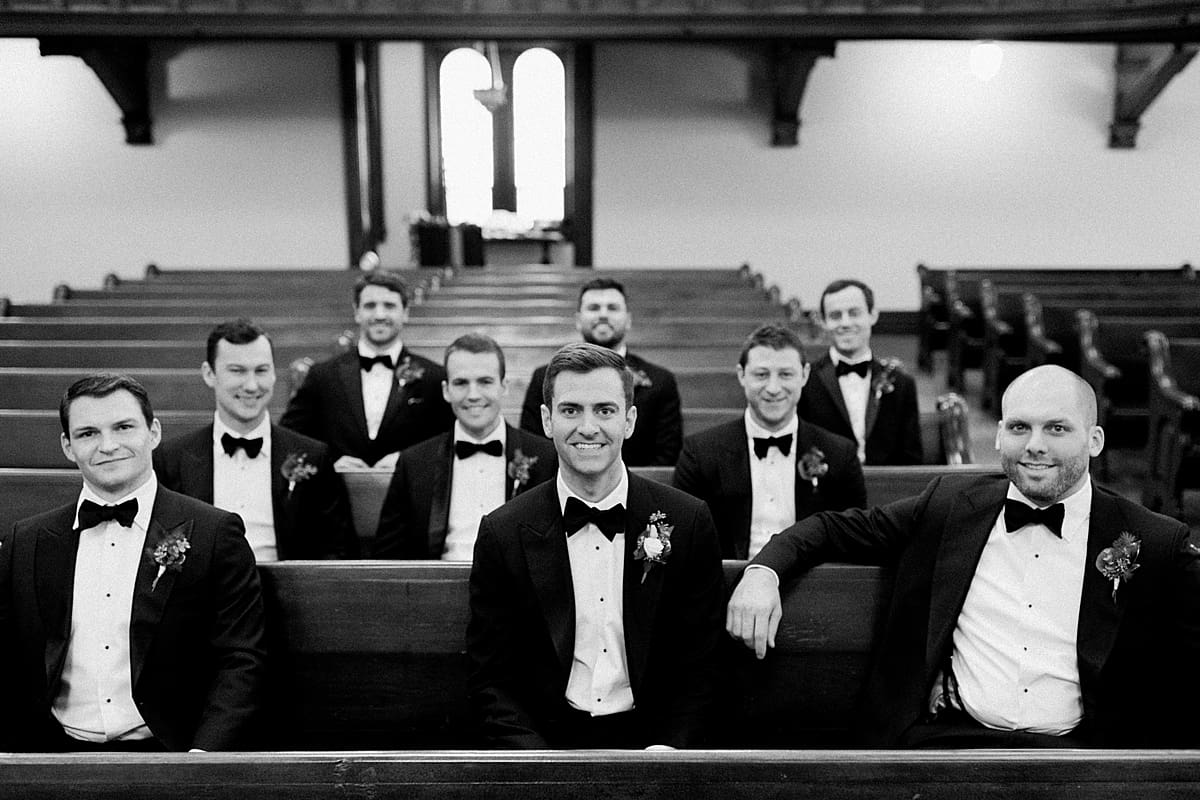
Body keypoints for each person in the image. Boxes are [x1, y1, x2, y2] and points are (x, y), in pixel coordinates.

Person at [726, 364, 1200, 748]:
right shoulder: (951, 506)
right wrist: (764, 570)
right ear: (997, 437)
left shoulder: (1154, 542)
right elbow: (833, 528)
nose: (1035, 444)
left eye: (1057, 428)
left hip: (1084, 756)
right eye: (1019, 427)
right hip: (950, 741)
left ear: (1093, 440)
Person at [467, 343, 724, 748]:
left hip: (656, 744)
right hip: (545, 745)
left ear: (630, 421)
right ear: (547, 421)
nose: (588, 427)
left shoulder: (688, 521)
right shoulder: (503, 532)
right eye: (571, 410)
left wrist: (671, 750)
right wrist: (536, 761)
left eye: (605, 410)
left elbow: (703, 662)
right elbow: (491, 677)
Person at [0, 374, 267, 752]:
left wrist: (202, 761)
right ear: (67, 446)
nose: (108, 446)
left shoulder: (213, 533)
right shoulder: (25, 542)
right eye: (88, 433)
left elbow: (242, 658)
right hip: (52, 752)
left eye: (123, 427)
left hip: (174, 754)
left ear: (153, 432)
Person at [154, 319, 359, 562]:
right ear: (209, 374)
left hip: (291, 594)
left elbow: (336, 549)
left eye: (261, 370)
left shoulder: (314, 456)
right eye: (237, 371)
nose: (251, 385)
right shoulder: (170, 459)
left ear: (273, 374)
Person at [674, 323, 866, 560]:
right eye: (761, 374)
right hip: (726, 587)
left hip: (812, 587)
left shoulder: (840, 454)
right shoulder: (700, 453)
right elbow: (685, 541)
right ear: (742, 375)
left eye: (785, 374)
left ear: (804, 375)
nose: (773, 388)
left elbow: (852, 541)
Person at [374, 333, 557, 559]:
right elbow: (386, 556)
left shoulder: (546, 458)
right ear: (445, 390)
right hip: (435, 589)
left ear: (504, 387)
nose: (473, 395)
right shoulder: (414, 463)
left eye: (485, 382)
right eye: (461, 383)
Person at [280, 269, 453, 469]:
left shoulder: (434, 376)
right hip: (337, 494)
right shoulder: (323, 376)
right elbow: (289, 436)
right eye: (370, 306)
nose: (380, 315)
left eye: (389, 306)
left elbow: (449, 440)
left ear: (405, 313)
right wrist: (330, 461)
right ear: (357, 312)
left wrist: (410, 460)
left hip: (411, 495)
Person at [519, 277, 682, 466]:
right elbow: (533, 447)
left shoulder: (661, 381)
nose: (603, 315)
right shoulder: (545, 377)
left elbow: (667, 456)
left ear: (628, 320)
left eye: (612, 308)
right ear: (578, 320)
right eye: (594, 308)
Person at [797, 279, 923, 465]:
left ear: (873, 315)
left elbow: (912, 458)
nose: (845, 323)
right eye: (835, 316)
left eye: (854, 313)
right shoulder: (805, 381)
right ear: (823, 322)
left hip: (889, 488)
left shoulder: (901, 383)